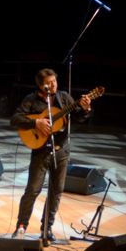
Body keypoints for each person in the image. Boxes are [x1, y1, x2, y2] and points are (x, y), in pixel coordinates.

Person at [10, 68, 92, 241]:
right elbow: (15, 119)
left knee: (56, 192)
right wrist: (36, 122)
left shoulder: (64, 98)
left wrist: (85, 109)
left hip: (61, 151)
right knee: (33, 190)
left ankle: (47, 228)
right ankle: (21, 227)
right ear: (41, 85)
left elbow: (78, 117)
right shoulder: (31, 99)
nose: (53, 85)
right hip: (41, 151)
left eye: (54, 81)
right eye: (48, 83)